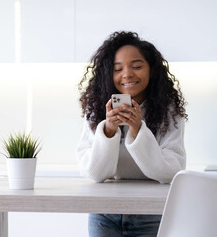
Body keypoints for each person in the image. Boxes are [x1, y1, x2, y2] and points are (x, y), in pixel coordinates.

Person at [76, 31, 188, 237]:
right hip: (105, 213)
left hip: (152, 212)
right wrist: (108, 131)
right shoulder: (97, 110)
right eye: (118, 69)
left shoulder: (168, 111)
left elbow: (171, 172)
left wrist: (137, 130)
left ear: (152, 70)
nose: (127, 74)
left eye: (137, 66)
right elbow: (94, 174)